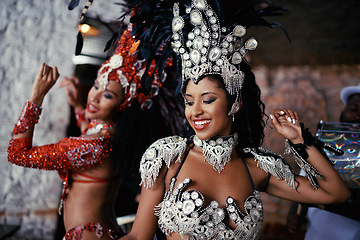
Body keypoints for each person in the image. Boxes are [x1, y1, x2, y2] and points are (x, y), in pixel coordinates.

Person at [117, 0, 350, 239]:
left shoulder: (258, 167)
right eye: (189, 101)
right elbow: (137, 237)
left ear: (235, 104)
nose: (195, 111)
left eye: (207, 100)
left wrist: (301, 140)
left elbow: (336, 194)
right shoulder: (167, 157)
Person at [7, 27, 176, 240]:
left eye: (107, 95)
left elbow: (17, 153)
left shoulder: (94, 146)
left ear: (123, 105)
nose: (94, 97)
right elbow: (89, 134)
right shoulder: (109, 136)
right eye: (96, 85)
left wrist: (36, 97)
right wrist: (79, 107)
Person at [286, 84, 360, 240]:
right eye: (354, 109)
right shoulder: (323, 141)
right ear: (344, 110)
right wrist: (295, 213)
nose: (357, 116)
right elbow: (305, 177)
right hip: (317, 232)